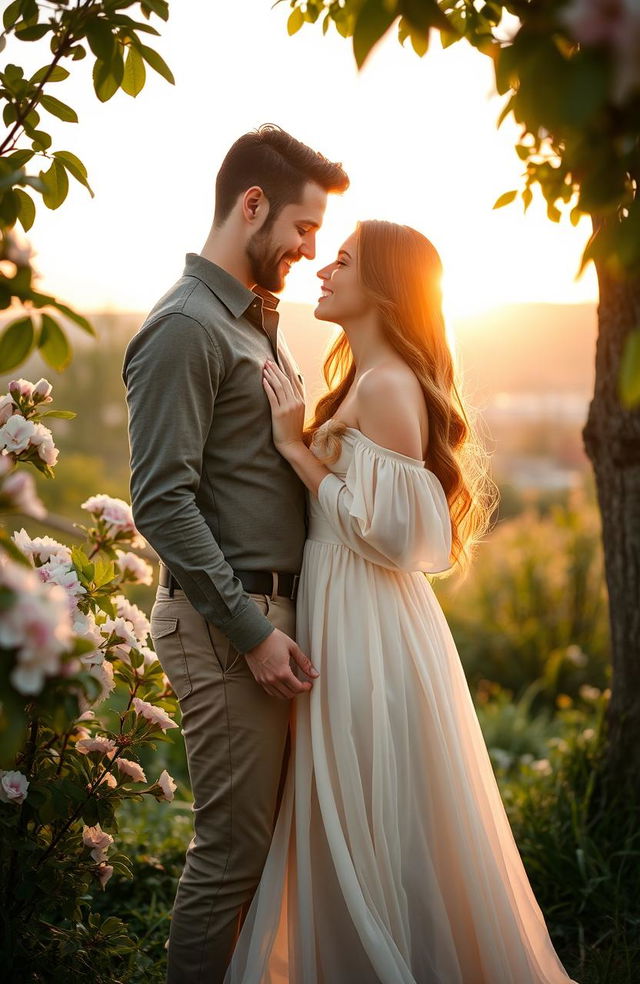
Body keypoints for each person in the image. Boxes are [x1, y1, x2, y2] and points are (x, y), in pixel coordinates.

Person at [224, 220, 580, 983]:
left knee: (370, 808)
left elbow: (392, 533)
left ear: (383, 288)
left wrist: (295, 448)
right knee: (350, 803)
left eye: (343, 261)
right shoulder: (363, 380)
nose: (323, 270)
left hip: (369, 616)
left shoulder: (388, 387)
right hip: (345, 603)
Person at [121, 124, 349, 984]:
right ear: (251, 204)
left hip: (268, 617)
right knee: (230, 858)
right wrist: (254, 631)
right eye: (304, 226)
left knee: (266, 854)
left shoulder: (255, 324)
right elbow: (161, 503)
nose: (310, 249)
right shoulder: (186, 329)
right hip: (224, 627)